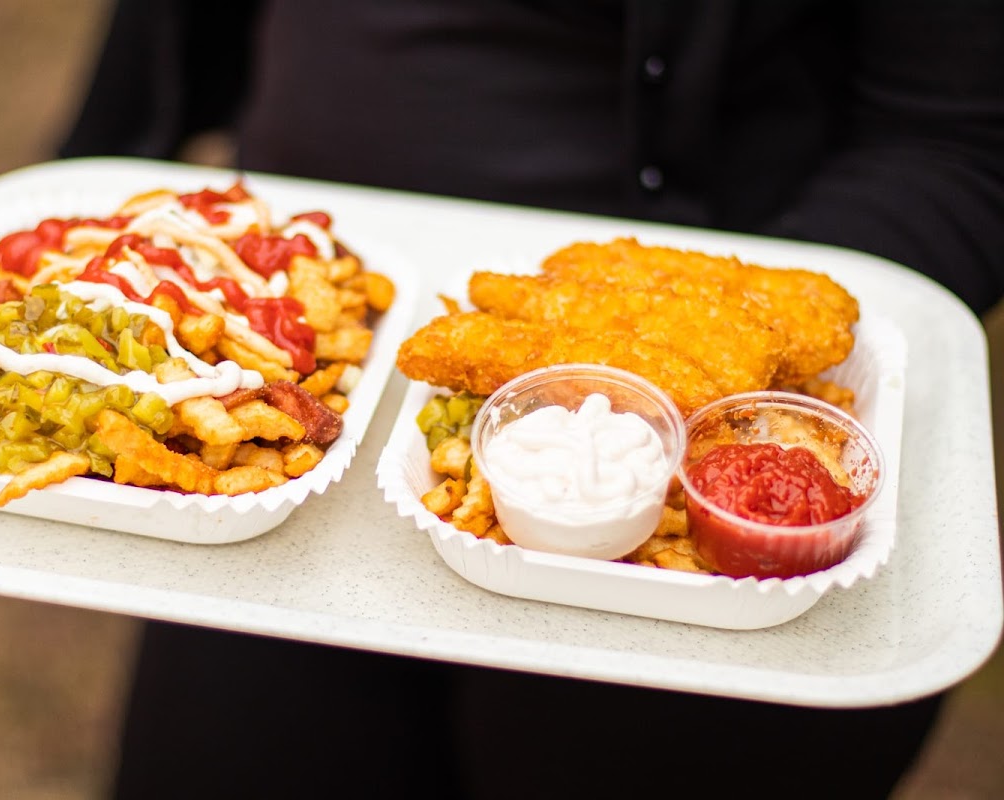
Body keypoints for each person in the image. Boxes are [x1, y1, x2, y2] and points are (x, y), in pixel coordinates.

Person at [57, 2, 1004, 797]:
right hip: (302, 386)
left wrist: (745, 329)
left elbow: (960, 140)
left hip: (697, 587)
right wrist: (91, 176)